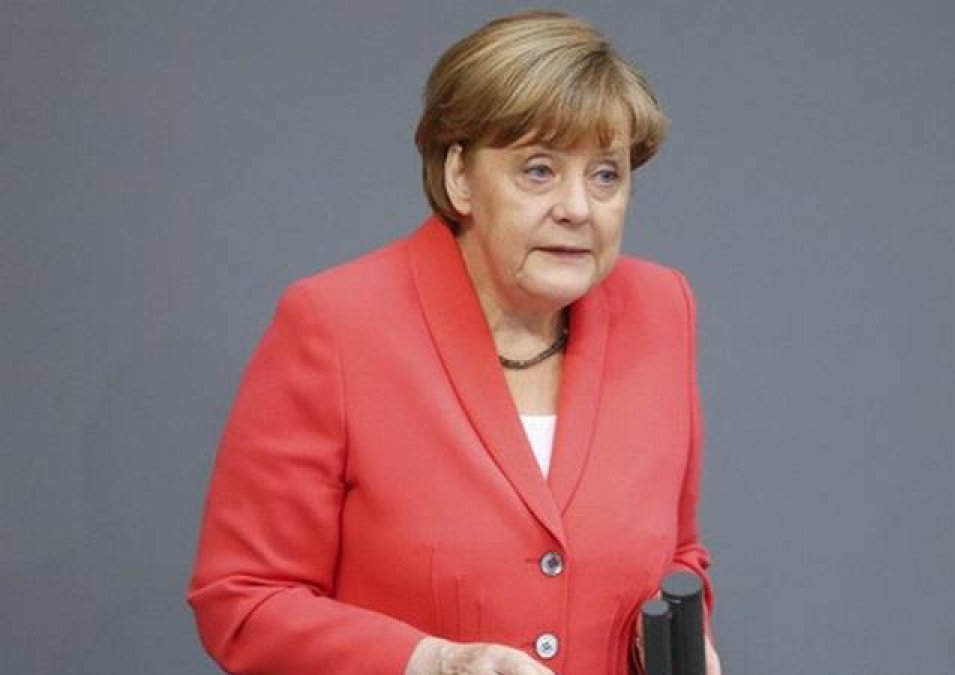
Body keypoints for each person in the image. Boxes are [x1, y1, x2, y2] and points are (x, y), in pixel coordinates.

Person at [188, 10, 719, 674]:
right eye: (538, 170)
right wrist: (429, 661)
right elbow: (242, 599)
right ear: (460, 176)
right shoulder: (335, 324)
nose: (579, 208)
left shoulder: (662, 309)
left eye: (606, 174)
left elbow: (679, 555)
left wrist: (676, 641)